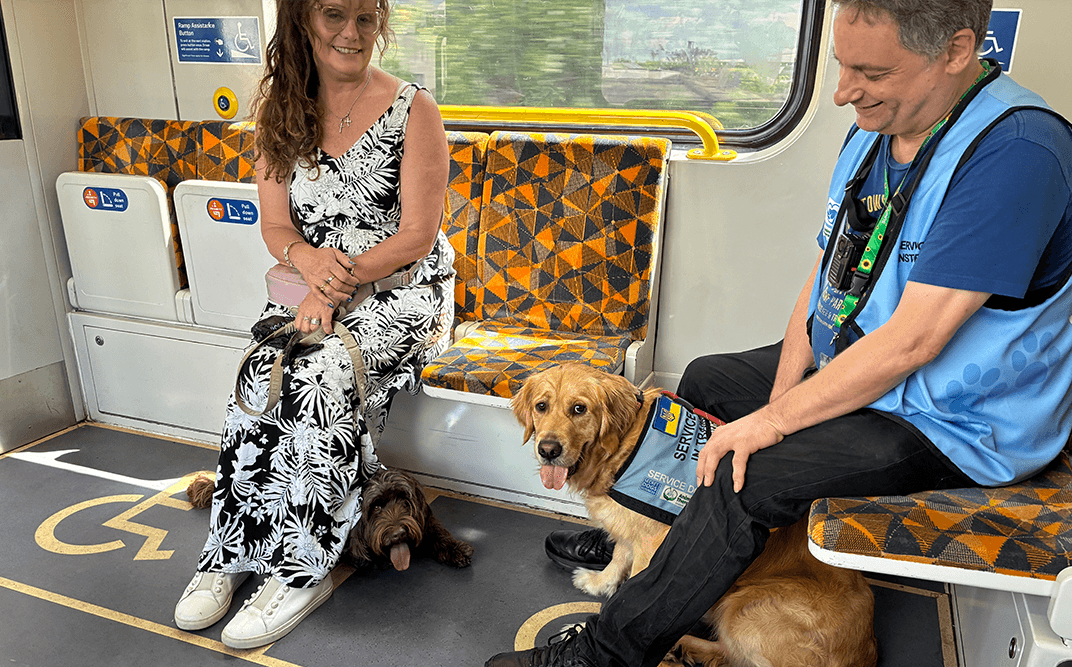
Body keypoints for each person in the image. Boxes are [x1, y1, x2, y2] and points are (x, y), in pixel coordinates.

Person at [488, 0, 1072, 665]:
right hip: (865, 361)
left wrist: (772, 425)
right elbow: (824, 286)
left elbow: (914, 342)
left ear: (958, 50)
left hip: (953, 420)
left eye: (870, 71)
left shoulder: (1016, 153)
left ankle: (605, 651)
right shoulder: (875, 133)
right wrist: (777, 401)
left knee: (752, 475)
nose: (844, 91)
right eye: (841, 65)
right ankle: (666, 533)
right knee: (707, 380)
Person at [173, 0, 453, 649]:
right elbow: (277, 227)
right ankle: (231, 553)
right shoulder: (281, 114)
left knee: (321, 371)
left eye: (364, 17)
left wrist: (341, 281)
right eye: (333, 15)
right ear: (302, 21)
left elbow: (417, 233)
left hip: (403, 289)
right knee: (259, 368)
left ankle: (307, 564)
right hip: (315, 287)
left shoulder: (415, 111)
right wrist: (308, 260)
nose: (351, 33)